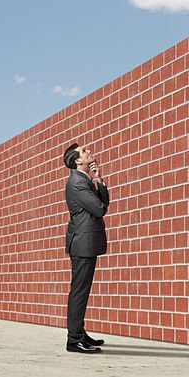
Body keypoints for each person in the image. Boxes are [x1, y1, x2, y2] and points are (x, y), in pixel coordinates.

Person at [62, 142, 110, 353]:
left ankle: (80, 334)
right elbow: (100, 208)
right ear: (77, 161)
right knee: (79, 292)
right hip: (82, 243)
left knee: (82, 290)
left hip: (85, 243)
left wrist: (98, 179)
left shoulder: (85, 179)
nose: (88, 150)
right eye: (84, 151)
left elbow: (103, 202)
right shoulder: (77, 183)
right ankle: (74, 340)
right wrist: (95, 186)